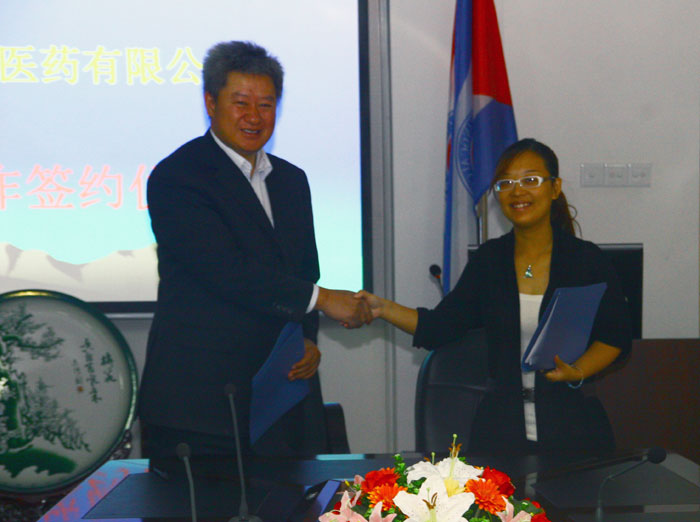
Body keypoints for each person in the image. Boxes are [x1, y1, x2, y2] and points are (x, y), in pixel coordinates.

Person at [138, 41, 371, 460]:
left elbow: (303, 271)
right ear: (211, 103)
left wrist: (307, 338)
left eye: (266, 104)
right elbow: (225, 272)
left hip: (282, 395)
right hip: (201, 403)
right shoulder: (178, 176)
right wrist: (323, 300)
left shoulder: (291, 181)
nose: (254, 116)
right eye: (241, 102)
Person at [357, 138, 632, 453]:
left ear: (554, 188)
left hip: (572, 429)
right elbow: (439, 327)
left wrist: (578, 370)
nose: (517, 191)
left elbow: (615, 337)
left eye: (530, 180)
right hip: (501, 432)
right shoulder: (489, 261)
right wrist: (383, 308)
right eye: (506, 183)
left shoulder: (585, 260)